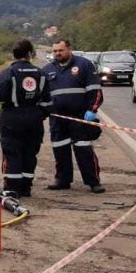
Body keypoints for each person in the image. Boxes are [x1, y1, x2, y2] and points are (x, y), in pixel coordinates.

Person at [41, 39, 105, 193]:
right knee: (60, 150)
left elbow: (95, 91)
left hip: (79, 117)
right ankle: (62, 180)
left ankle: (93, 182)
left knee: (83, 150)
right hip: (58, 119)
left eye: (60, 50)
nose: (57, 53)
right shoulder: (47, 70)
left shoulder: (84, 65)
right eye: (55, 51)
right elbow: (42, 95)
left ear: (69, 49)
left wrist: (92, 110)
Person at [0, 39, 50, 197]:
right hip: (34, 119)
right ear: (30, 54)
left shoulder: (7, 73)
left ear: (14, 54)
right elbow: (48, 102)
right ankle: (26, 187)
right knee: (30, 152)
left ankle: (11, 189)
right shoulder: (41, 74)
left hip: (12, 118)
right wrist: (39, 115)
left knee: (12, 152)